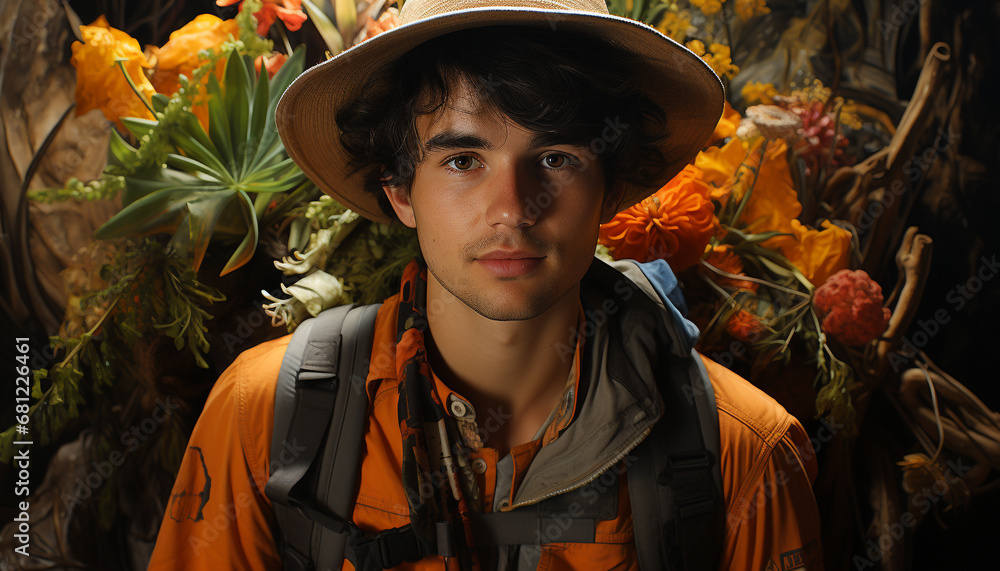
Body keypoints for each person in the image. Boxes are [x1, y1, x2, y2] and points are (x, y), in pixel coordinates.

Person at [148, 1, 823, 569]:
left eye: (555, 157)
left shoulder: (742, 454)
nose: (512, 207)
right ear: (400, 190)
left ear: (610, 187)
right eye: (464, 159)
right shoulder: (267, 415)